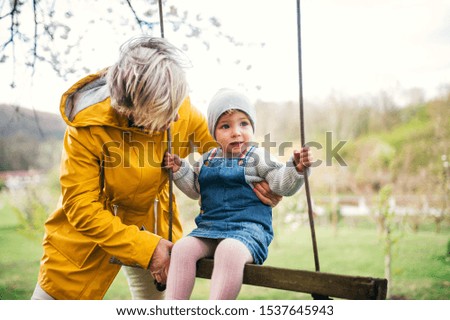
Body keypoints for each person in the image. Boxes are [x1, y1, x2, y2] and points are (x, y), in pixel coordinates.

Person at [31, 36, 281, 300]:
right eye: (165, 112)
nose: (176, 117)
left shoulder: (175, 103)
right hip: (88, 237)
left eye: (177, 106)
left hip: (156, 224)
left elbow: (226, 150)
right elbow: (81, 206)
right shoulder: (86, 128)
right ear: (133, 108)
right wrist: (147, 249)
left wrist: (259, 179)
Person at [163, 88, 313, 300]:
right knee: (182, 249)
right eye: (226, 126)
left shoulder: (258, 157)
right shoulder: (206, 159)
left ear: (252, 126)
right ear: (213, 132)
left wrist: (296, 169)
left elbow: (281, 184)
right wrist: (180, 171)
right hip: (210, 229)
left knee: (228, 251)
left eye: (243, 123)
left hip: (248, 232)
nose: (236, 132)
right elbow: (195, 189)